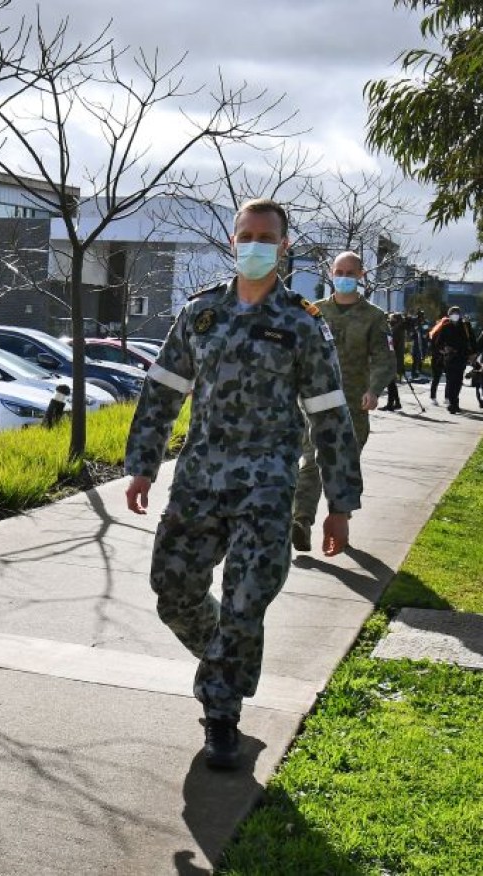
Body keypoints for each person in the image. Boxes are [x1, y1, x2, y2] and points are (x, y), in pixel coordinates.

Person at [124, 198, 361, 771]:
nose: (255, 244)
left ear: (284, 247)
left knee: (244, 602)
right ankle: (226, 666)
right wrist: (143, 463)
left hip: (267, 488)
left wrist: (340, 502)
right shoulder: (200, 315)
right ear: (233, 242)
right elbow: (162, 393)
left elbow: (330, 415)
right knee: (172, 590)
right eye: (246, 235)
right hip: (200, 480)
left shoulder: (303, 323)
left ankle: (221, 713)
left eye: (267, 237)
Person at [290, 251, 395, 551]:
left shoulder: (374, 317)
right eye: (339, 271)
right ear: (331, 273)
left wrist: (373, 390)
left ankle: (340, 518)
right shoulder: (314, 312)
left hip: (353, 407)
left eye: (351, 273)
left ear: (361, 276)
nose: (344, 277)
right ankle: (302, 520)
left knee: (344, 463)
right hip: (315, 402)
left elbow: (384, 360)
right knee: (310, 462)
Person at [433, 306, 476, 413]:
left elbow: (472, 340)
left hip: (462, 357)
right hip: (450, 358)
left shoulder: (466, 326)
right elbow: (438, 343)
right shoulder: (445, 327)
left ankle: (454, 401)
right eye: (453, 313)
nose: (455, 315)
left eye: (456, 313)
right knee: (451, 380)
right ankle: (453, 403)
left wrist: (473, 354)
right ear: (449, 315)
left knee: (458, 381)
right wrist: (444, 349)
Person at [381, 311, 405, 411]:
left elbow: (391, 345)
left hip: (392, 359)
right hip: (397, 358)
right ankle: (397, 402)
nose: (390, 321)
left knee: (390, 381)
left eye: (391, 319)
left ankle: (390, 404)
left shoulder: (395, 331)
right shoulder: (400, 330)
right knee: (391, 382)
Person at [428, 313, 450, 402]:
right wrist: (441, 351)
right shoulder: (437, 333)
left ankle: (438, 397)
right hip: (439, 358)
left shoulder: (436, 333)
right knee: (438, 378)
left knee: (439, 378)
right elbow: (433, 347)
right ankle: (438, 397)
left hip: (441, 358)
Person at [410, 309, 426, 378]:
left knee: (420, 359)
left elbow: (426, 333)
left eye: (421, 316)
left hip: (422, 344)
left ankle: (419, 371)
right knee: (415, 359)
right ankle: (413, 373)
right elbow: (411, 334)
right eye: (419, 316)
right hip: (415, 344)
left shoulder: (425, 323)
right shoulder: (414, 323)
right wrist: (414, 330)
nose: (420, 318)